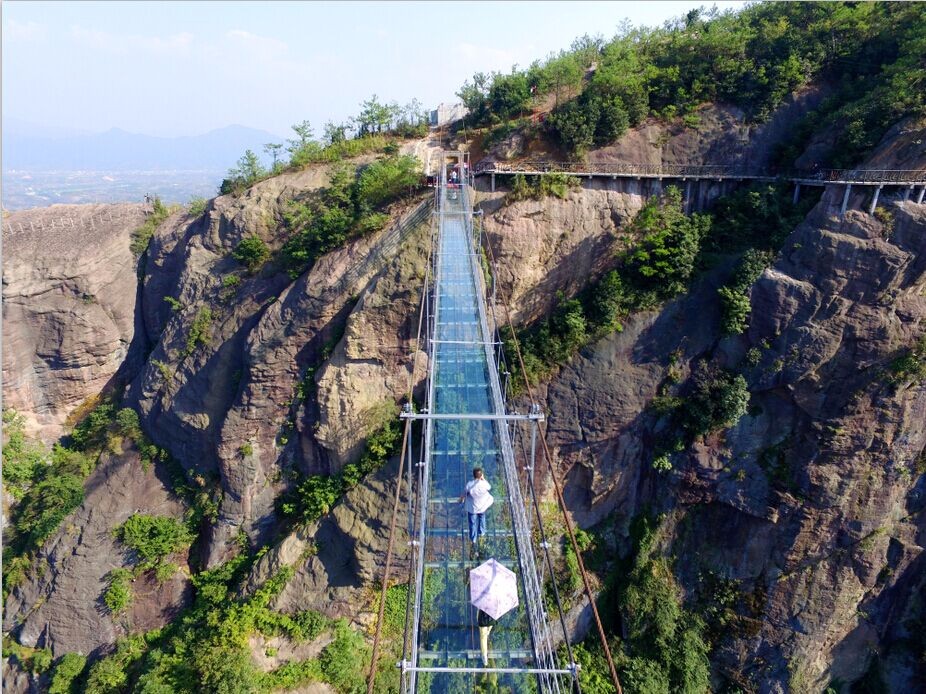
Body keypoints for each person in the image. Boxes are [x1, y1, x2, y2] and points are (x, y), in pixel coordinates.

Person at [460, 467, 493, 558]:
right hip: (482, 506)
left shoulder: (469, 485)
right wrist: (483, 479)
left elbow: (464, 493)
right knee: (482, 518)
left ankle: (473, 539)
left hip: (473, 507)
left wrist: (461, 499)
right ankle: (482, 533)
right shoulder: (484, 484)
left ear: (473, 475)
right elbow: (489, 487)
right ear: (481, 475)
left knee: (472, 523)